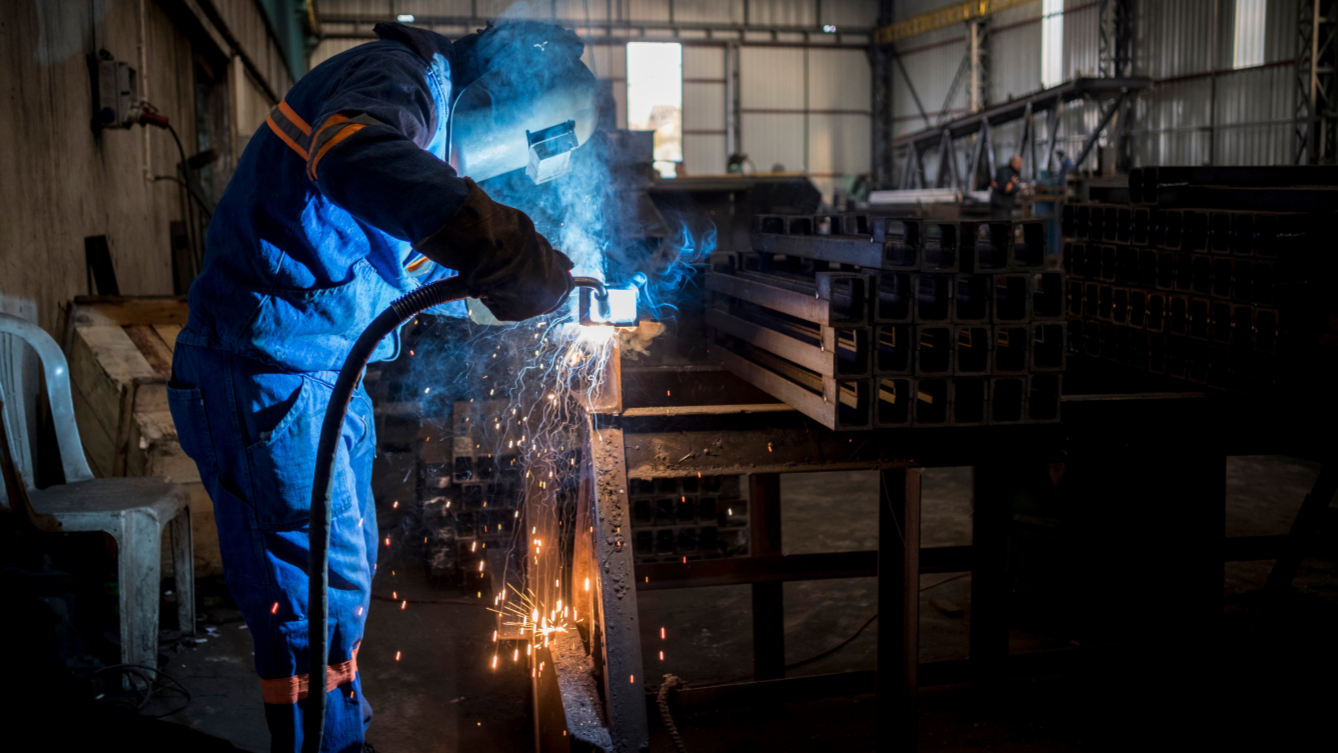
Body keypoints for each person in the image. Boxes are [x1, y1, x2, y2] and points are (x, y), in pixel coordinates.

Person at [167, 21, 581, 752]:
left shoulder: (421, 137)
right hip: (266, 372)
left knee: (341, 582)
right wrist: (490, 239)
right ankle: (323, 745)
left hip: (322, 374)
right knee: (306, 604)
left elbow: (421, 270)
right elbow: (349, 152)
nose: (487, 187)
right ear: (495, 102)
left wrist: (552, 285)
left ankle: (339, 735)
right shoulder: (404, 81)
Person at [990, 154, 1024, 220]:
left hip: (1006, 205)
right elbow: (1007, 188)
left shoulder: (1012, 172)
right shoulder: (1005, 171)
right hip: (1000, 206)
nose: (1020, 165)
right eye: (1019, 163)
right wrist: (1013, 183)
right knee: (1001, 226)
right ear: (1013, 162)